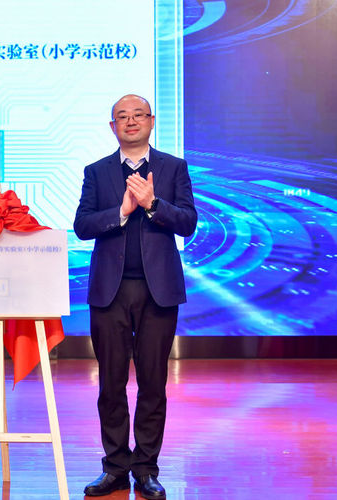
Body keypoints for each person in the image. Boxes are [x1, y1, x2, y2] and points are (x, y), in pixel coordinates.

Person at [73, 95, 197, 499]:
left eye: (138, 115)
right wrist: (123, 211)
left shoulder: (173, 167)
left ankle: (145, 468)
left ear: (151, 121)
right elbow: (82, 226)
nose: (130, 122)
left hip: (158, 291)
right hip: (110, 292)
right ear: (112, 127)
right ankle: (114, 467)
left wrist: (153, 204)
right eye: (122, 117)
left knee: (153, 383)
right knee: (110, 383)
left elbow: (188, 223)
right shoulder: (97, 172)